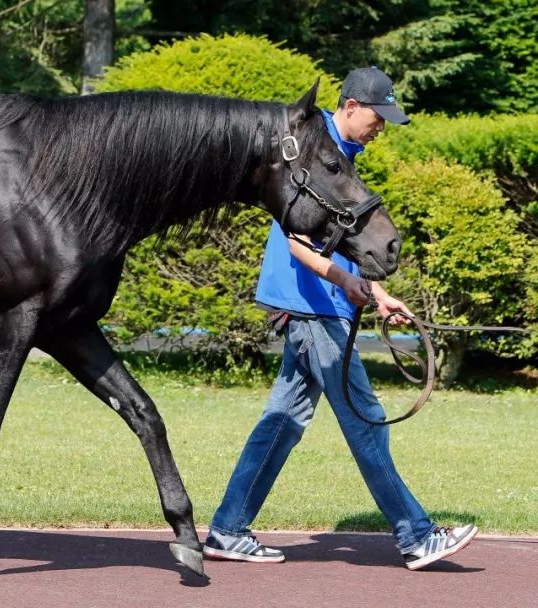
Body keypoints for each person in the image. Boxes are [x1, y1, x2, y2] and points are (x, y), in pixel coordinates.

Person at [203, 67, 477, 570]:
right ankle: (416, 535)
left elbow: (341, 241)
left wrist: (376, 292)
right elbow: (297, 239)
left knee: (281, 423)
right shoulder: (312, 147)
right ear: (350, 105)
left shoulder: (343, 154)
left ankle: (227, 530)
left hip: (318, 307)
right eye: (378, 116)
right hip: (313, 309)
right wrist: (346, 283)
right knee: (365, 421)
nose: (382, 127)